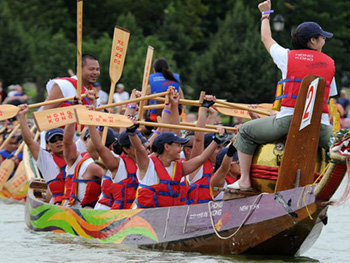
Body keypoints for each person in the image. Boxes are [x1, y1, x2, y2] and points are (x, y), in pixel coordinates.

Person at [229, 0, 337, 191]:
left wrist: (265, 15)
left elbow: (266, 39)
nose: (324, 40)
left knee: (245, 132)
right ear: (313, 41)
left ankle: (245, 180)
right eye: (322, 37)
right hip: (320, 127)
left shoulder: (287, 57)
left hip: (287, 122)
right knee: (337, 149)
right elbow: (329, 97)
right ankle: (326, 187)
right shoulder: (330, 64)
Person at [17, 104, 67, 205]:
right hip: (58, 204)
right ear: (48, 146)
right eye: (53, 140)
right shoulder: (46, 159)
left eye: (61, 138)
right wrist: (22, 117)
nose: (58, 142)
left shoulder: (76, 155)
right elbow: (29, 141)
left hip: (75, 202)